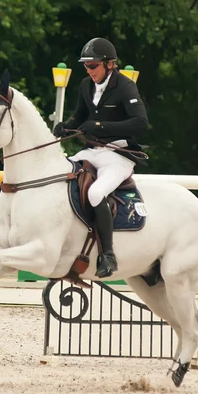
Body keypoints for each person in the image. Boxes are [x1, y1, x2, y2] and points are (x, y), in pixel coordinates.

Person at [54, 37, 149, 278]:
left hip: (119, 154)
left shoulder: (126, 87)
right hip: (92, 152)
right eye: (86, 66)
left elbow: (140, 123)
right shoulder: (86, 86)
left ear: (109, 64)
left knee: (96, 193)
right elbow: (78, 119)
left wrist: (99, 126)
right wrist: (64, 127)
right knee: (58, 176)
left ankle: (108, 255)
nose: (88, 70)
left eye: (93, 65)